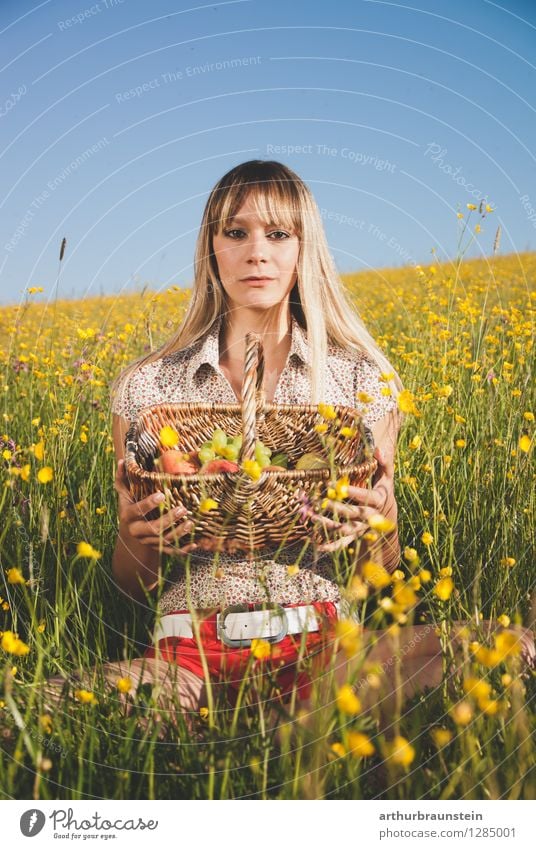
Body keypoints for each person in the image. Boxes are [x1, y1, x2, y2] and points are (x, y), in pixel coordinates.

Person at [44, 160, 533, 731]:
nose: (257, 253)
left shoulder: (358, 381)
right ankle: (259, 724)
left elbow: (379, 578)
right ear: (211, 247)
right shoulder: (149, 387)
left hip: (329, 646)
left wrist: (379, 521)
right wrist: (136, 538)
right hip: (190, 651)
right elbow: (134, 588)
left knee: (515, 647)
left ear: (305, 248)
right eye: (236, 232)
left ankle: (281, 721)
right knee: (44, 709)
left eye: (278, 234)